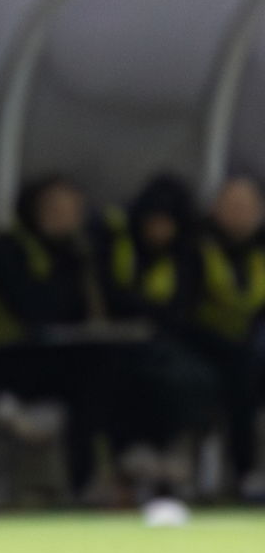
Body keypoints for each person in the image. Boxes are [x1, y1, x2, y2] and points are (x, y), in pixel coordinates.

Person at [0, 175, 120, 497]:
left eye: (73, 210)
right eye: (55, 208)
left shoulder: (79, 254)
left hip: (52, 356)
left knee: (107, 369)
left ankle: (90, 479)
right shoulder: (6, 250)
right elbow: (36, 310)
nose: (65, 217)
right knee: (92, 371)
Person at [93, 174, 219, 475]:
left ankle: (166, 447)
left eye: (167, 223)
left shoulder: (186, 257)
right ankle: (126, 457)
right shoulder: (113, 243)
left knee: (188, 373)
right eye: (154, 221)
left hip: (163, 343)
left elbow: (180, 309)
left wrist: (145, 313)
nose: (159, 230)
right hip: (111, 342)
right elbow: (111, 296)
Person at [183, 176, 265, 496]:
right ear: (215, 209)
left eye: (248, 206)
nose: (240, 213)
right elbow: (183, 311)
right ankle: (242, 473)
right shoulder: (196, 249)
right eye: (232, 206)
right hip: (204, 345)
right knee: (241, 376)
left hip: (251, 345)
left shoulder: (260, 251)